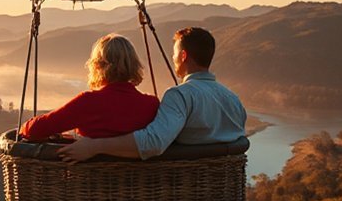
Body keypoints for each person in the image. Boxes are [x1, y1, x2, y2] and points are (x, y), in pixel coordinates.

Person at [58, 27, 245, 162]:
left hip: (185, 188)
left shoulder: (180, 96)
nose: (173, 58)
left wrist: (94, 146)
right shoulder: (233, 100)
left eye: (174, 54)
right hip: (225, 192)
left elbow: (153, 143)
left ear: (183, 56)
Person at [19, 34, 159, 141]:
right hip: (140, 172)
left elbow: (35, 130)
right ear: (134, 65)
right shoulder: (151, 105)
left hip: (90, 172)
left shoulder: (88, 102)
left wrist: (26, 126)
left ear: (97, 66)